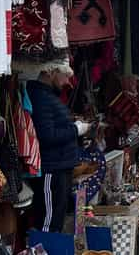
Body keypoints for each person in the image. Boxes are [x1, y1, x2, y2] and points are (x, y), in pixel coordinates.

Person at [27, 66, 90, 232]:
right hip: (52, 168)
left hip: (59, 167)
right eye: (64, 76)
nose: (67, 82)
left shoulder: (47, 96)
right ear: (51, 72)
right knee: (49, 221)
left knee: (55, 219)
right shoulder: (41, 97)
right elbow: (46, 135)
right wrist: (76, 130)